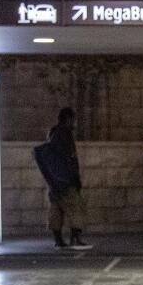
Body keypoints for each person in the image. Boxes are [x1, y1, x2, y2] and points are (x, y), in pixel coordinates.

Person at [35, 106, 86, 248]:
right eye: (73, 119)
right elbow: (69, 159)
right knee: (75, 206)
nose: (75, 122)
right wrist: (75, 178)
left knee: (56, 208)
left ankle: (58, 240)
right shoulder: (65, 134)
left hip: (54, 181)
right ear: (69, 119)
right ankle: (75, 238)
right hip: (66, 180)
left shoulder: (52, 133)